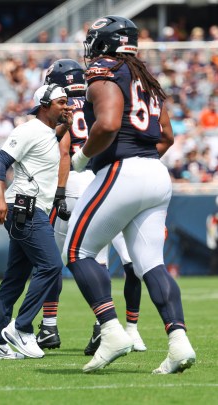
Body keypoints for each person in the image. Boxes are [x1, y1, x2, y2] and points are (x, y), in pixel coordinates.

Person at [65, 15, 195, 374]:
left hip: (122, 169)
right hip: (155, 171)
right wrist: (144, 162)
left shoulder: (104, 71)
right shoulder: (146, 79)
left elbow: (106, 123)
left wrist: (82, 156)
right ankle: (178, 342)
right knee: (150, 262)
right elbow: (166, 135)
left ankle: (111, 331)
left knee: (76, 250)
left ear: (104, 43)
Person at [34, 59, 146, 355]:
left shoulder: (60, 105)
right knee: (98, 260)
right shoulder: (100, 96)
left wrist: (57, 193)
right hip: (102, 180)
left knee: (51, 260)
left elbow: (60, 151)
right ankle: (104, 326)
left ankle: (48, 326)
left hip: (70, 181)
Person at [0, 84, 71, 361]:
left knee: (15, 278)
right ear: (44, 104)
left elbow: (47, 147)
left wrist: (65, 127)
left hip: (30, 207)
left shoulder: (47, 134)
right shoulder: (29, 129)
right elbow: (0, 162)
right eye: (61, 102)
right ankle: (21, 327)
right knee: (51, 265)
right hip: (24, 207)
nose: (67, 106)